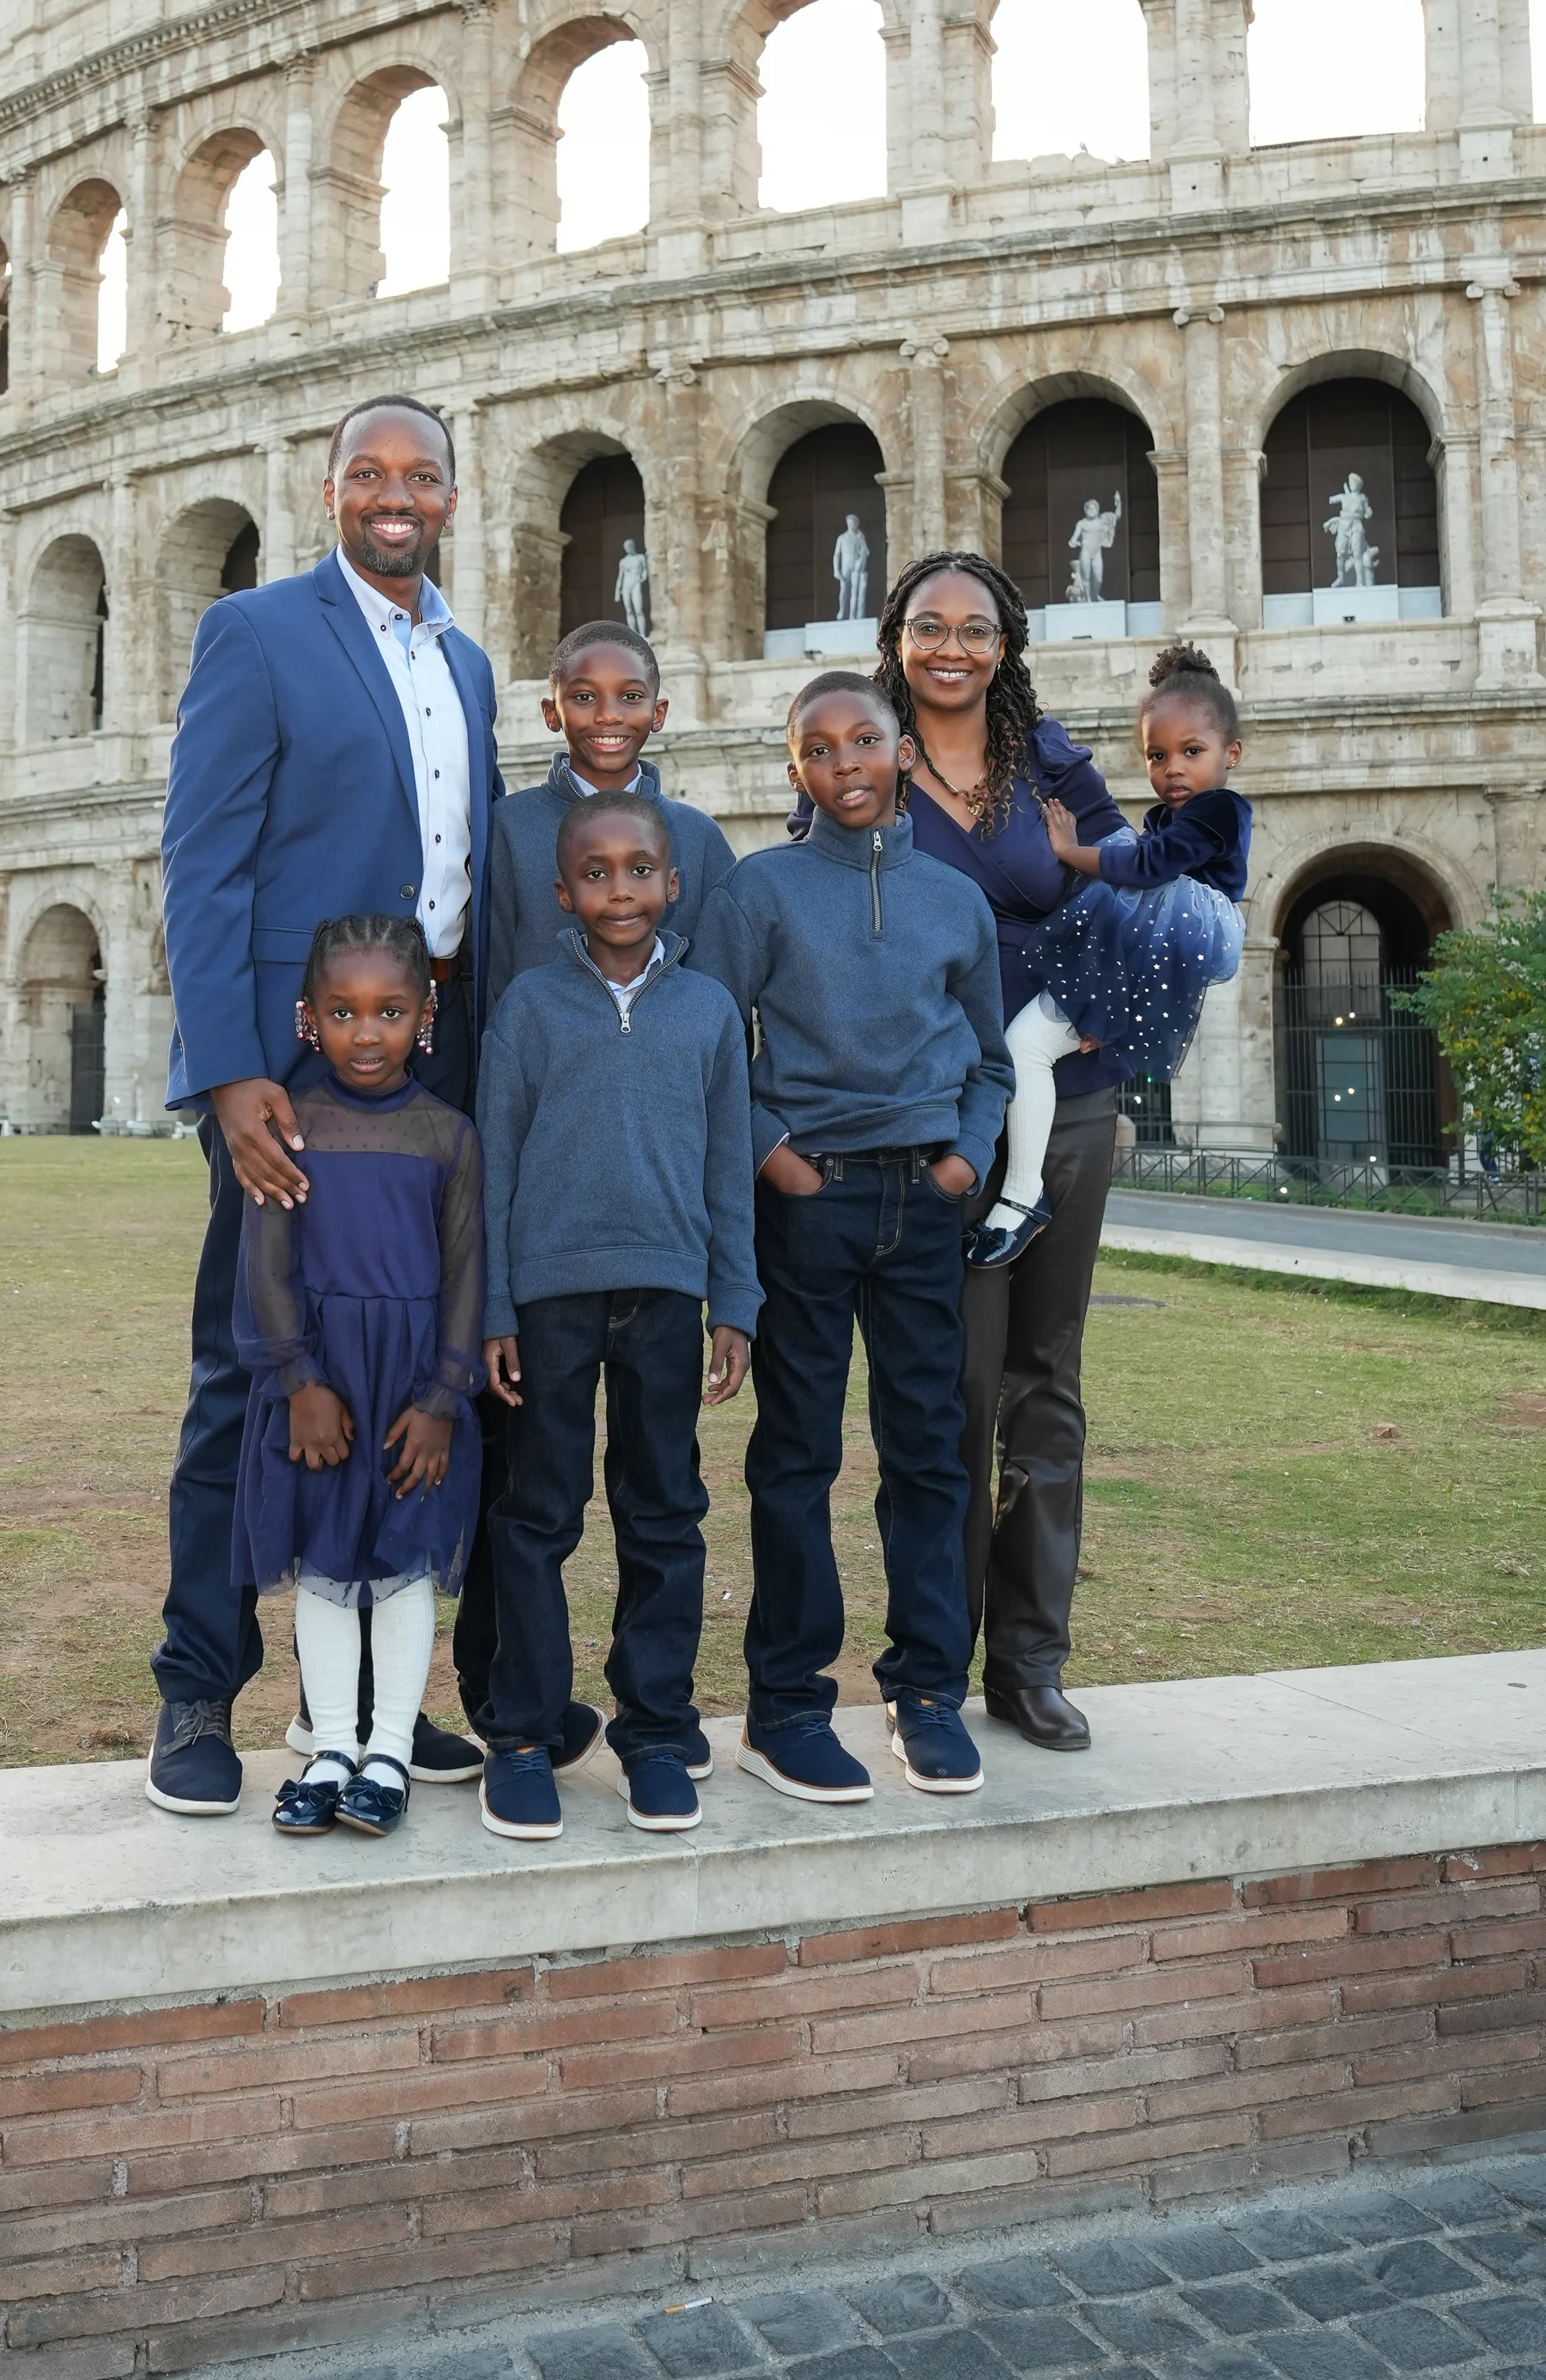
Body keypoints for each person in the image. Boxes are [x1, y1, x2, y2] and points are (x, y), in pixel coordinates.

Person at [147, 394, 502, 1816]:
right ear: (330, 490)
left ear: (454, 500)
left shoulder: (467, 664)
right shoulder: (259, 634)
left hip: (430, 1070)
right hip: (291, 1077)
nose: (394, 495)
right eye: (369, 473)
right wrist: (233, 1070)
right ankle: (193, 1692)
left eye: (420, 475)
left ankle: (357, 1710)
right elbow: (203, 861)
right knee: (251, 1372)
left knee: (404, 1370)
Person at [696, 674, 1010, 1806]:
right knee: (795, 1453)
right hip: (806, 1199)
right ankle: (784, 1706)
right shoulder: (759, 891)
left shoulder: (951, 901)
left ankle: (926, 1691)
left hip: (922, 1201)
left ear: (899, 754)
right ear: (795, 772)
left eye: (864, 741)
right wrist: (775, 1153)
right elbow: (706, 1040)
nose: (846, 764)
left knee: (928, 1451)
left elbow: (988, 1058)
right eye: (819, 749)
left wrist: (963, 1158)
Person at [867, 551, 1131, 1756]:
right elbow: (839, 927)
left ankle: (1028, 1661)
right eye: (930, 626)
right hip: (938, 1125)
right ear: (897, 638)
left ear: (1004, 645)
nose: (952, 648)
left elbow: (1135, 883)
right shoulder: (864, 754)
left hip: (1066, 1100)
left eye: (976, 629)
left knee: (1045, 1384)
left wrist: (1096, 991)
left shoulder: (1047, 758)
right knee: (951, 1396)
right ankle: (934, 1663)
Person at [475, 794, 758, 1841]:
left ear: (674, 881)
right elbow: (495, 1166)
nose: (622, 889)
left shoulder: (709, 1014)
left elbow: (732, 1167)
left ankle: (652, 1728)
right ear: (562, 892)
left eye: (642, 869)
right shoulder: (531, 1008)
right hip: (548, 1296)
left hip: (667, 1293)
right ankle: (525, 1734)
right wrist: (495, 1303)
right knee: (536, 1515)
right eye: (597, 873)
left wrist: (736, 1297)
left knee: (662, 1512)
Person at [231, 916, 484, 1838]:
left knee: (406, 1569)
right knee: (329, 1571)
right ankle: (331, 1742)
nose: (365, 1032)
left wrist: (444, 1399)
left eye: (388, 1011)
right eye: (342, 1012)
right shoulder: (290, 1129)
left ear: (424, 1017)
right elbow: (265, 1265)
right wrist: (298, 1379)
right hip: (324, 1389)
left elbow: (467, 1274)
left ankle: (389, 1752)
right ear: (309, 1018)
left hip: (412, 1390)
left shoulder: (449, 1135)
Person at [974, 643, 1251, 1266]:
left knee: (1024, 1049)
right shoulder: (1185, 812)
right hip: (1161, 936)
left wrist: (1072, 851)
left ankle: (1021, 1196)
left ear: (1231, 754)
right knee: (1030, 1047)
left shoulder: (1217, 812)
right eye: (1157, 755)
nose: (1172, 769)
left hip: (1179, 924)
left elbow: (1149, 868)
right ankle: (1022, 1191)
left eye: (1191, 752)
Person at [482, 621, 736, 1009]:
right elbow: (491, 974)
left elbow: (723, 991)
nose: (608, 715)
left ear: (658, 712)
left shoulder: (699, 836)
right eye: (584, 697)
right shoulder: (508, 827)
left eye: (631, 696)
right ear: (552, 713)